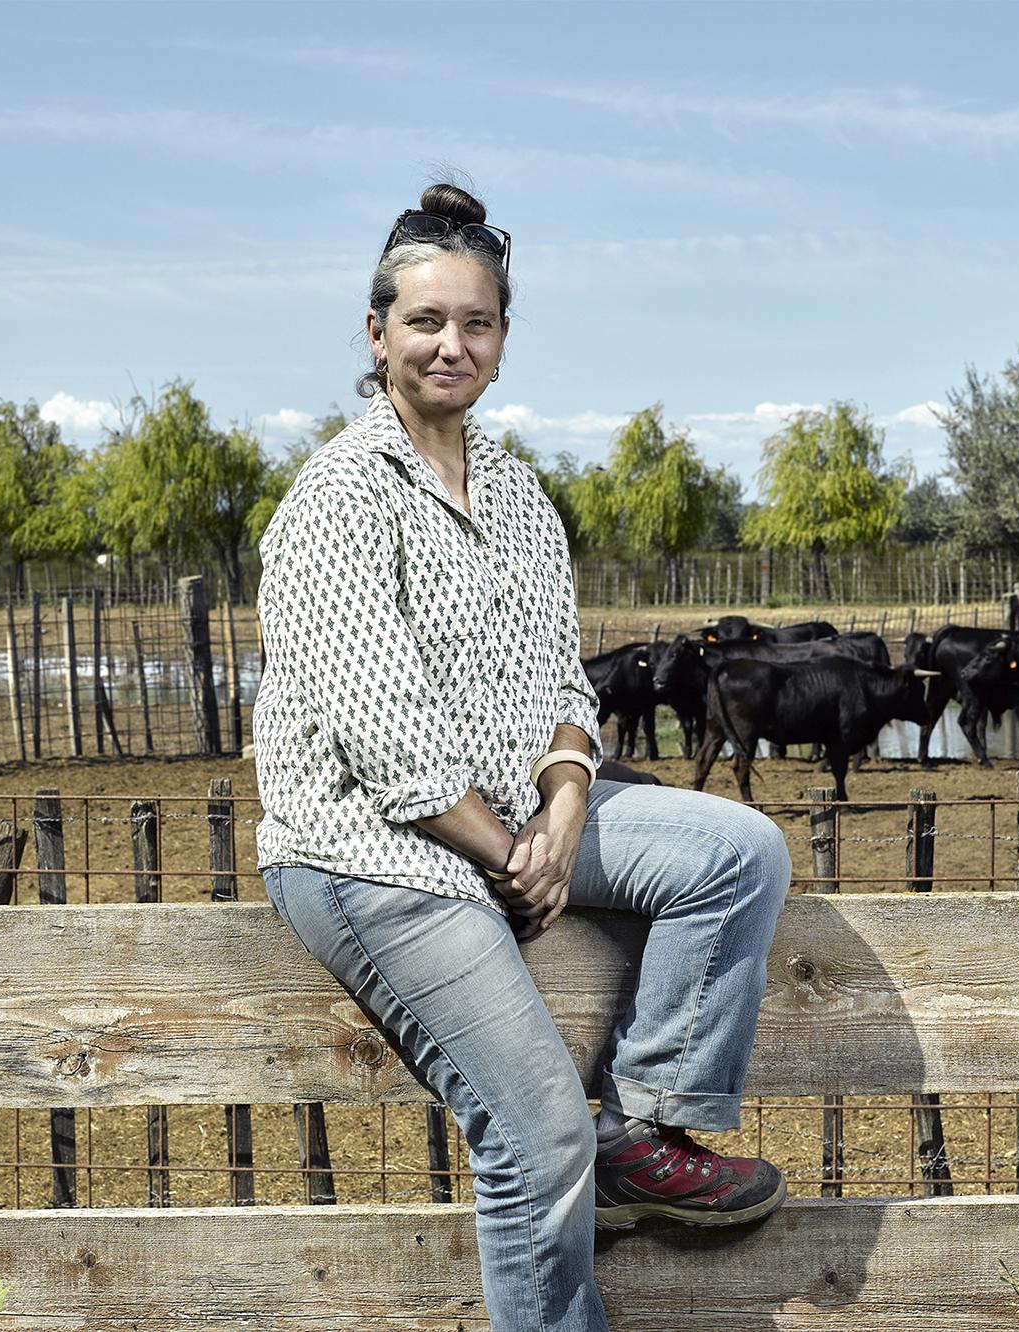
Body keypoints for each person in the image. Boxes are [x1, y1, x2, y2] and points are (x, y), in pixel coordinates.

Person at [253, 181, 792, 1332]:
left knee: (737, 851)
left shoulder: (517, 492)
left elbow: (563, 683)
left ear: (503, 336)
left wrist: (564, 800)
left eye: (477, 322)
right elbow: (381, 736)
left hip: (508, 817)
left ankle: (646, 1128)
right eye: (426, 321)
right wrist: (517, 857)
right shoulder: (336, 500)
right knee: (538, 1128)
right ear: (376, 335)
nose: (453, 344)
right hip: (372, 851)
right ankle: (581, 1184)